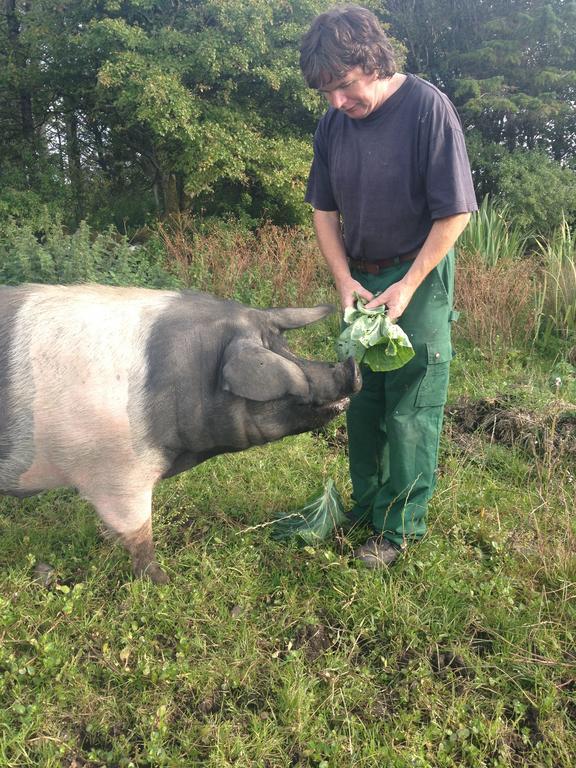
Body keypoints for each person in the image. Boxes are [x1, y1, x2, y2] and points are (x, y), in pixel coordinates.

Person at [300, 6, 477, 568]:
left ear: (373, 62)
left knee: (410, 407)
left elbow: (455, 214)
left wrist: (408, 285)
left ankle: (399, 527)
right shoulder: (333, 125)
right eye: (326, 93)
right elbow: (324, 211)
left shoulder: (427, 108)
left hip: (418, 277)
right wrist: (343, 278)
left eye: (344, 88)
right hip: (362, 276)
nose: (336, 104)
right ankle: (369, 505)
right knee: (361, 399)